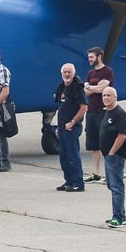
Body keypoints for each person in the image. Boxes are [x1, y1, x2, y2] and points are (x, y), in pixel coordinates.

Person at [99, 87, 126, 228]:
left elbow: (122, 135)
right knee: (111, 185)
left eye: (108, 95)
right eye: (104, 95)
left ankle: (117, 217)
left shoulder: (119, 113)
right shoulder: (107, 112)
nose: (105, 98)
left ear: (115, 97)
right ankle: (120, 214)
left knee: (116, 186)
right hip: (107, 155)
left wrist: (112, 153)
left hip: (115, 156)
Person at [83, 46, 115, 184]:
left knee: (105, 142)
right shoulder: (90, 73)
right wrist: (92, 87)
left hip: (103, 111)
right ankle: (96, 173)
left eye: (91, 57)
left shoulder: (107, 72)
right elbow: (86, 91)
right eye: (89, 57)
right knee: (94, 144)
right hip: (91, 111)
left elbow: (103, 89)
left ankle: (110, 174)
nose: (89, 59)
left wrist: (90, 87)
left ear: (99, 56)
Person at [54, 64, 87, 192]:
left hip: (71, 128)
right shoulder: (62, 86)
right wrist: (59, 127)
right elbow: (60, 107)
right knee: (64, 156)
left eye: (69, 72)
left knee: (73, 156)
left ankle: (78, 183)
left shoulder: (77, 88)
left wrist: (72, 122)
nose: (67, 74)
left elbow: (84, 107)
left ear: (73, 73)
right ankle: (69, 180)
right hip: (62, 127)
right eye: (65, 72)